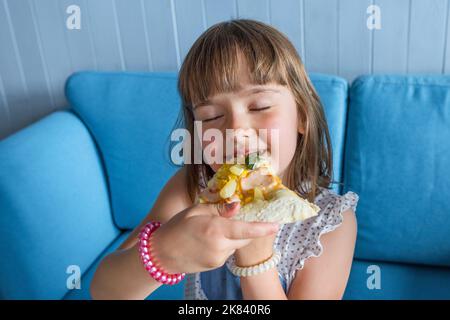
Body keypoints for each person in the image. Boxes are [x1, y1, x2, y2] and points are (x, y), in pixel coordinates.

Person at [90, 19, 358, 300]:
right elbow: (104, 291)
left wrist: (256, 261)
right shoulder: (194, 187)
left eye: (259, 106)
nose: (235, 130)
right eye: (211, 116)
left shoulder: (329, 222)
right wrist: (163, 253)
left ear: (301, 116)